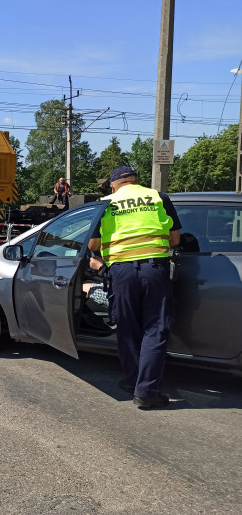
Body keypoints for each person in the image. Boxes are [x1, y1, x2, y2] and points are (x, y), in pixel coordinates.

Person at [88, 166, 181, 410]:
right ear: (136, 182)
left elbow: (92, 243)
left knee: (127, 327)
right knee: (155, 328)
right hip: (154, 269)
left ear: (113, 185)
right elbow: (175, 240)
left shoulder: (105, 203)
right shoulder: (158, 197)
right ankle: (147, 391)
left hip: (120, 272)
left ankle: (133, 381)